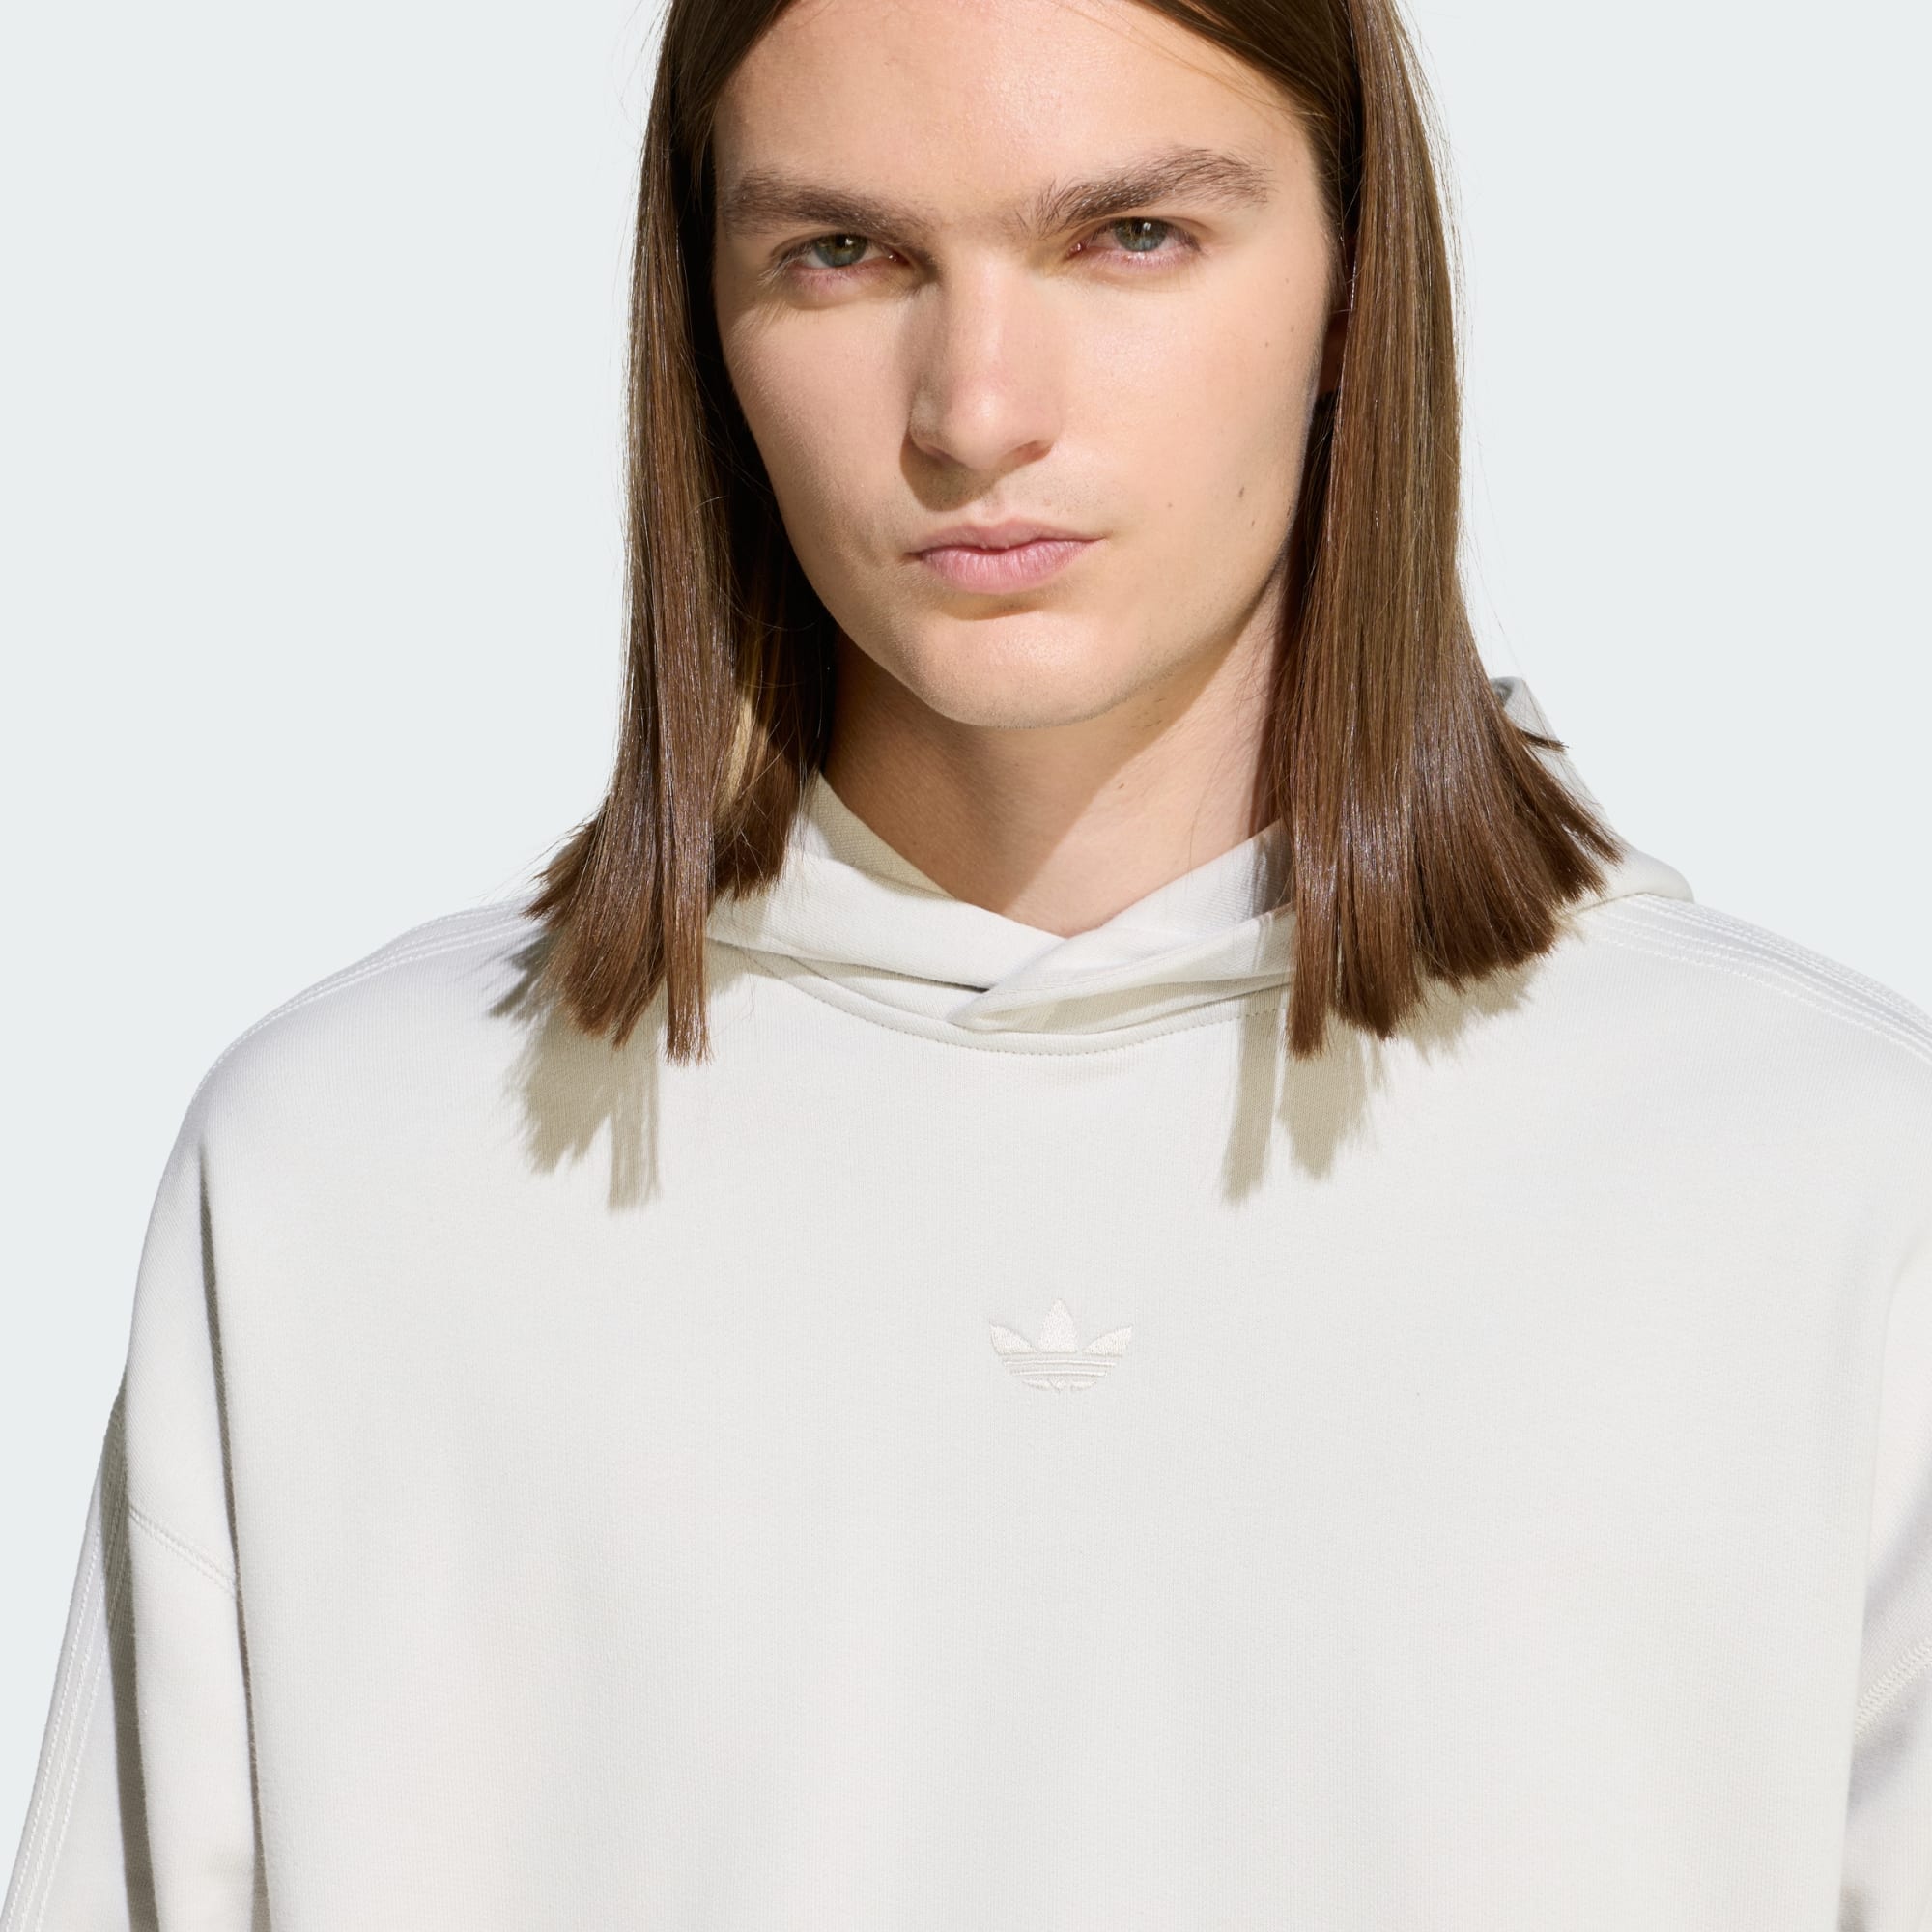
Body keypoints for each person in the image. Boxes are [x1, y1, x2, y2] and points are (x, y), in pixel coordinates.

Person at [6, 0, 1929, 1922]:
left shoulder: (1824, 1185)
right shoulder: (353, 1181)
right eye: (842, 253)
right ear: (705, 317)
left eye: (1132, 236)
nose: (976, 410)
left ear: (1358, 289)